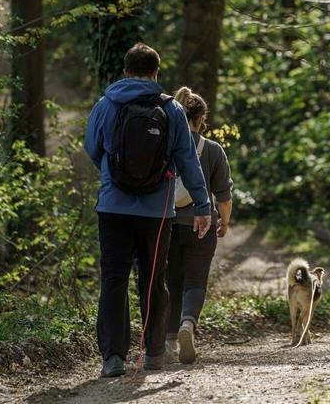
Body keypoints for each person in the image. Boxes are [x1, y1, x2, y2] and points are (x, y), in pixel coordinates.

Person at [84, 43, 212, 377]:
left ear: (125, 71)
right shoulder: (171, 110)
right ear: (156, 73)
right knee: (153, 278)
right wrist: (202, 204)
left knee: (113, 279)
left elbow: (92, 148)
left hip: (113, 207)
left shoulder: (106, 104)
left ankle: (113, 358)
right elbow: (187, 159)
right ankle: (154, 353)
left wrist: (115, 174)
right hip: (157, 211)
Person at [165, 86, 234, 364]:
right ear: (201, 118)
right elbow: (224, 195)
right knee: (195, 281)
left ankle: (168, 342)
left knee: (171, 280)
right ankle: (187, 325)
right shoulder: (213, 150)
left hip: (168, 223)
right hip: (202, 225)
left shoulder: (167, 145)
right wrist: (225, 221)